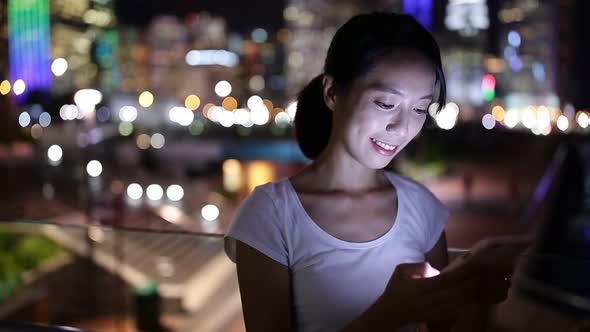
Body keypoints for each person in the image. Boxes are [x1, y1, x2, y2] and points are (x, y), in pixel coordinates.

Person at [224, 12, 526, 332]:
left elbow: (445, 325)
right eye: (385, 103)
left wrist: (473, 294)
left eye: (420, 109)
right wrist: (388, 314)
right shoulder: (271, 215)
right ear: (332, 92)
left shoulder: (420, 206)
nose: (402, 127)